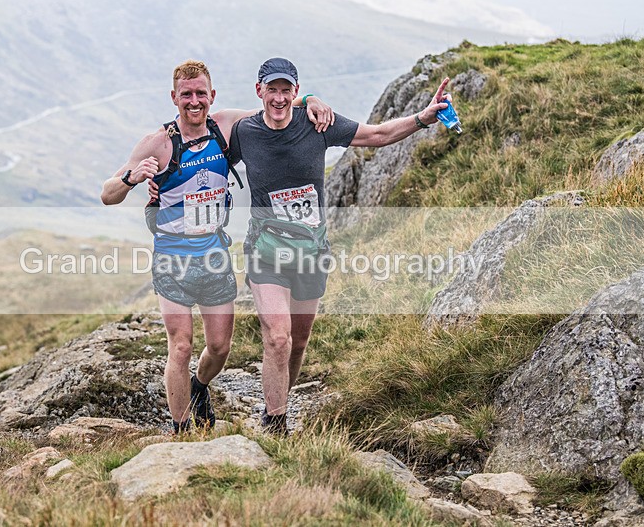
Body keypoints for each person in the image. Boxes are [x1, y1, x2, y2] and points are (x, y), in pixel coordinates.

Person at [101, 59, 334, 433]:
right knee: (180, 346)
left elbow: (275, 107)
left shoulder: (225, 126)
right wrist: (131, 177)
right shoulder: (157, 143)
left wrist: (310, 98)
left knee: (220, 348)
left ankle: (200, 387)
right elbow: (107, 195)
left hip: (213, 256)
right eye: (186, 95)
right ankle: (181, 431)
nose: (194, 101)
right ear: (173, 97)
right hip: (172, 258)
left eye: (200, 94)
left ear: (212, 96)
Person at [228, 57, 451, 434]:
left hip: (312, 252)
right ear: (259, 91)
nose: (279, 98)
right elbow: (208, 155)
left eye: (287, 90)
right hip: (265, 251)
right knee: (277, 338)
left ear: (295, 92)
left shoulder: (318, 125)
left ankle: (280, 398)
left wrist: (423, 118)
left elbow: (377, 135)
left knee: (298, 342)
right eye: (272, 89)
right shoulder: (244, 132)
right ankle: (275, 421)